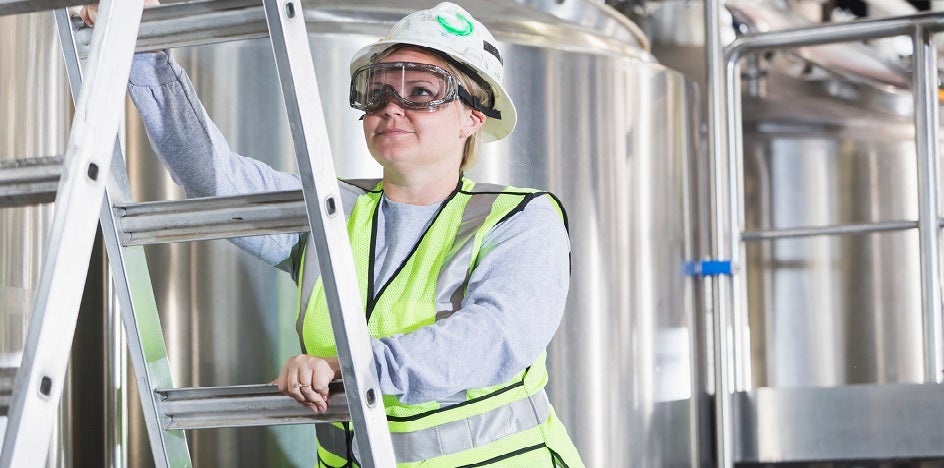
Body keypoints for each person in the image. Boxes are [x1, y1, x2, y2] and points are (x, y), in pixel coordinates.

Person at [83, 2, 583, 466]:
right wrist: (137, 42)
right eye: (378, 90)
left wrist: (345, 367)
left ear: (472, 118)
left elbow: (493, 339)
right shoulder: (331, 212)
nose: (391, 106)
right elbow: (213, 177)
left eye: (422, 92)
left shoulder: (520, 219)